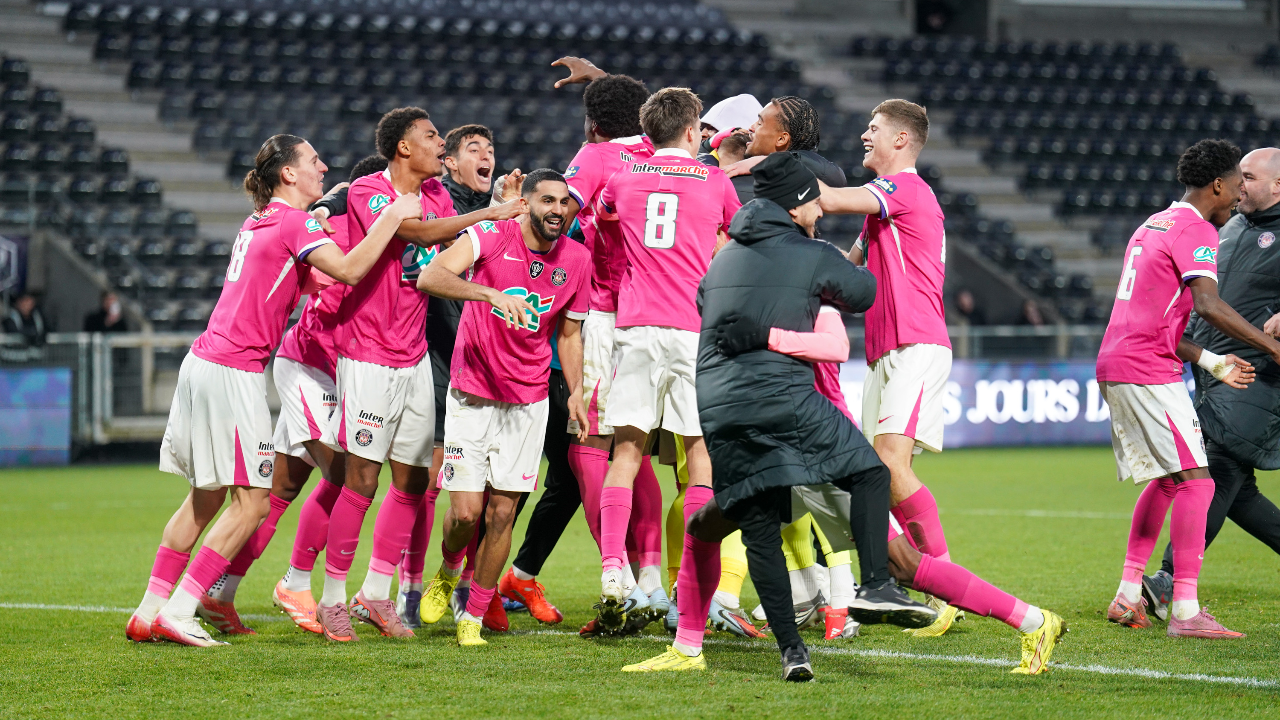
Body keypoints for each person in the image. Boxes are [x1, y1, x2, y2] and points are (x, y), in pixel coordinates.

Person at [621, 152, 934, 680]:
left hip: (718, 408)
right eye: (814, 201)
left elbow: (705, 303)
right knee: (869, 472)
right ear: (794, 206)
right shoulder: (811, 251)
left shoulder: (724, 257)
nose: (820, 209)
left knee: (759, 525)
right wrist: (826, 278)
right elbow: (863, 292)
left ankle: (793, 653)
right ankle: (876, 584)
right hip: (780, 396)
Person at [125, 133, 421, 646]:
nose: (323, 167)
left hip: (204, 362)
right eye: (313, 161)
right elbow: (349, 271)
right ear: (288, 173)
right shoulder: (292, 221)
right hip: (234, 370)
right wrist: (392, 216)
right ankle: (182, 608)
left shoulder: (259, 221)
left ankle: (149, 610)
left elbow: (307, 281)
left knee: (205, 499)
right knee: (253, 504)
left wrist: (332, 228)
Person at [311, 107, 522, 643]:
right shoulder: (369, 190)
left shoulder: (437, 195)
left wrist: (499, 224)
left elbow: (449, 250)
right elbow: (417, 233)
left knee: (412, 480)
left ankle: (374, 594)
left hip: (415, 356)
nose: (439, 145)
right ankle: (330, 598)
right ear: (404, 147)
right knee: (362, 478)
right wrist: (491, 212)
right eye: (430, 137)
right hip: (368, 353)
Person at [500, 70, 665, 631]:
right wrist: (604, 79)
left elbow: (555, 215)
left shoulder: (593, 158)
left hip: (602, 314)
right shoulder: (664, 154)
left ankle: (620, 576)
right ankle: (653, 581)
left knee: (589, 447)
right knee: (636, 447)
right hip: (659, 315)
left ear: (593, 125)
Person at [195, 156, 387, 636]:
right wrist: (328, 210)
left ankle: (219, 593)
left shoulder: (401, 233)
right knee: (343, 475)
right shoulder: (334, 225)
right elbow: (340, 266)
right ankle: (296, 582)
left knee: (279, 490)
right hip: (308, 366)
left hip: (344, 373)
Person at [1096, 139, 1280, 639]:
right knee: (1200, 482)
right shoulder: (1198, 229)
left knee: (1169, 479)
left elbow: (1160, 318)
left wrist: (1213, 361)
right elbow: (1207, 305)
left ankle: (1129, 594)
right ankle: (1184, 610)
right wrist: (1271, 345)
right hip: (1148, 367)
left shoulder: (1154, 223)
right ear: (1217, 185)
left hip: (1124, 358)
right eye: (1237, 184)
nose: (1238, 195)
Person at [416, 169, 592, 647]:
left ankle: (473, 615)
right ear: (527, 203)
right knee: (466, 514)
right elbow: (431, 275)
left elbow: (570, 333)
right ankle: (448, 569)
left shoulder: (577, 259)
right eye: (548, 200)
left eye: (565, 203)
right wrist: (488, 292)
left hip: (529, 400)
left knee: (501, 514)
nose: (558, 209)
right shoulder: (492, 235)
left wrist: (576, 391)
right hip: (472, 392)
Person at [591, 87, 741, 631]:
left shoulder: (623, 177)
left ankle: (613, 570)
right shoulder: (715, 181)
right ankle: (691, 581)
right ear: (693, 130)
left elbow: (602, 219)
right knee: (699, 454)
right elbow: (738, 237)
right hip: (691, 329)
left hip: (635, 327)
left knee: (626, 452)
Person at [814, 99, 963, 636]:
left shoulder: (905, 189)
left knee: (890, 468)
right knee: (876, 473)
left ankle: (945, 585)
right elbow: (846, 267)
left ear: (901, 139)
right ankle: (906, 579)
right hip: (885, 349)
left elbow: (829, 198)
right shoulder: (884, 206)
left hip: (916, 342)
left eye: (873, 128)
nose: (864, 135)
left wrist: (770, 170)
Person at [393, 123, 503, 630]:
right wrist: (328, 203)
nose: (486, 156)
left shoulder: (504, 212)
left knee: (491, 486)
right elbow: (357, 186)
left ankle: (468, 586)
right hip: (438, 356)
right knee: (430, 481)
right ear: (451, 163)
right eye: (473, 149)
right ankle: (410, 587)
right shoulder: (434, 200)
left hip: (488, 361)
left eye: (490, 149)